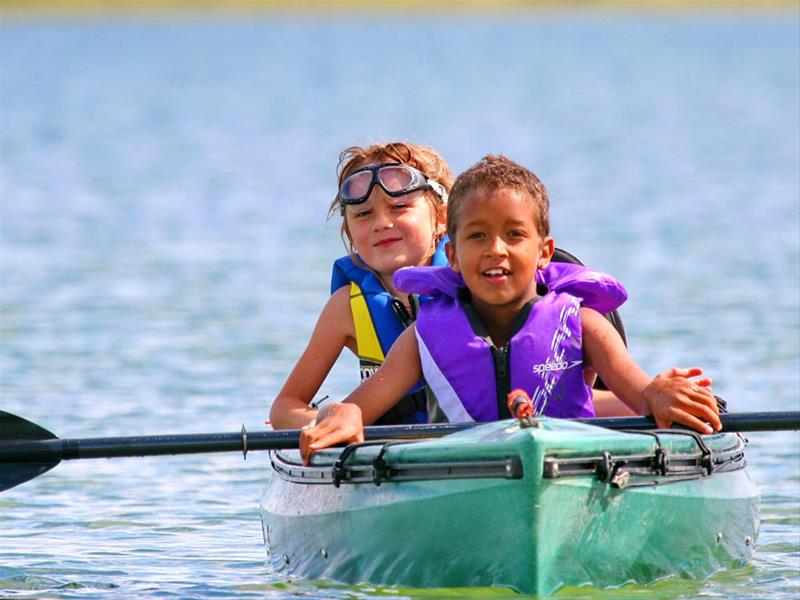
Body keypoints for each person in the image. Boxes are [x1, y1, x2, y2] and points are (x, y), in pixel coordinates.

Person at [299, 155, 721, 462]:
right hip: (458, 481)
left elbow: (640, 393)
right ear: (454, 256)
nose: (495, 250)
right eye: (478, 236)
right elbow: (359, 407)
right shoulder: (421, 337)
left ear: (544, 252)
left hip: (571, 476)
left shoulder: (585, 324)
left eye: (514, 235)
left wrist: (662, 395)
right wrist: (341, 416)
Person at [269, 142, 452, 428]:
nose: (381, 222)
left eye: (399, 207)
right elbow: (283, 409)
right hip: (390, 449)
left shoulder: (474, 285)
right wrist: (327, 418)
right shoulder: (347, 307)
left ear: (441, 219)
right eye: (364, 214)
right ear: (350, 232)